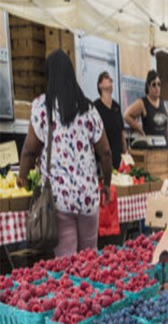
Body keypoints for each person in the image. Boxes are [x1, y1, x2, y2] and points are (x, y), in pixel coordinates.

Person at [17, 50, 112, 257]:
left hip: (59, 199)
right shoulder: (89, 108)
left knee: (66, 262)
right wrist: (106, 183)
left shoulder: (43, 106)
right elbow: (105, 151)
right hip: (88, 196)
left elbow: (29, 150)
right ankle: (93, 289)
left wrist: (22, 177)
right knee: (90, 258)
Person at [123, 70, 168, 147]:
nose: (157, 88)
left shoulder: (163, 104)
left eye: (159, 84)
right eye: (154, 85)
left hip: (164, 148)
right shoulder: (143, 103)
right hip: (150, 148)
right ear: (148, 86)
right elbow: (126, 115)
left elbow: (167, 130)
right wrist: (140, 130)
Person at [93, 71, 127, 170]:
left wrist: (125, 154)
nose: (110, 80)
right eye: (106, 78)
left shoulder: (116, 107)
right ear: (100, 85)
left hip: (118, 159)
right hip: (102, 160)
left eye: (111, 79)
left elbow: (122, 134)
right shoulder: (95, 107)